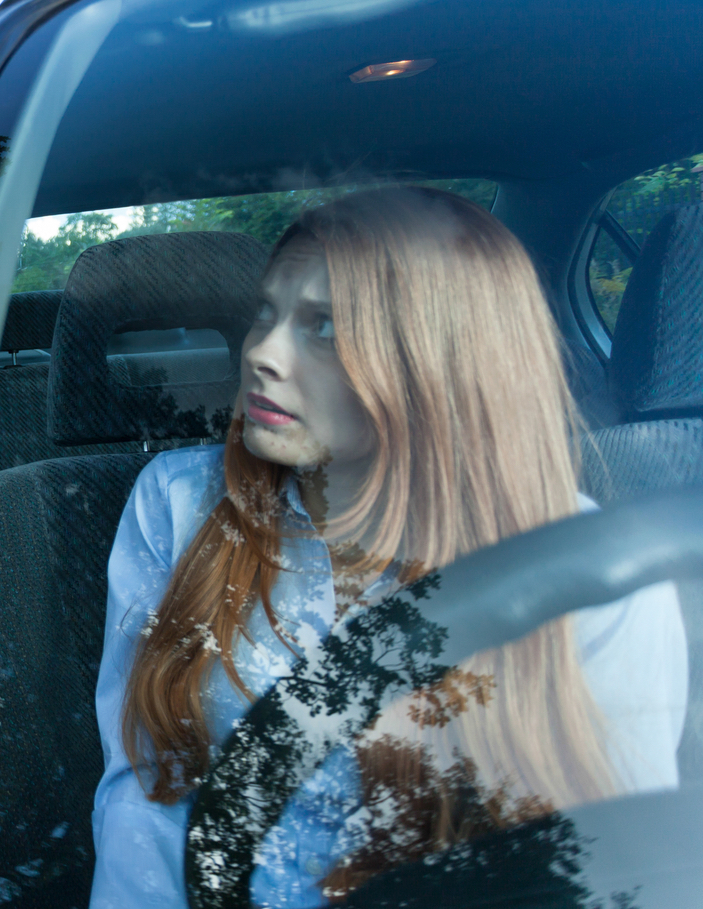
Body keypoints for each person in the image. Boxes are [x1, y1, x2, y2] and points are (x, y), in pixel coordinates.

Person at [89, 187, 687, 908]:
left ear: (440, 360)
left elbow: (611, 857)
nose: (261, 355)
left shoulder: (579, 559)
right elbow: (146, 791)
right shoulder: (180, 504)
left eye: (327, 326)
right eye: (266, 314)